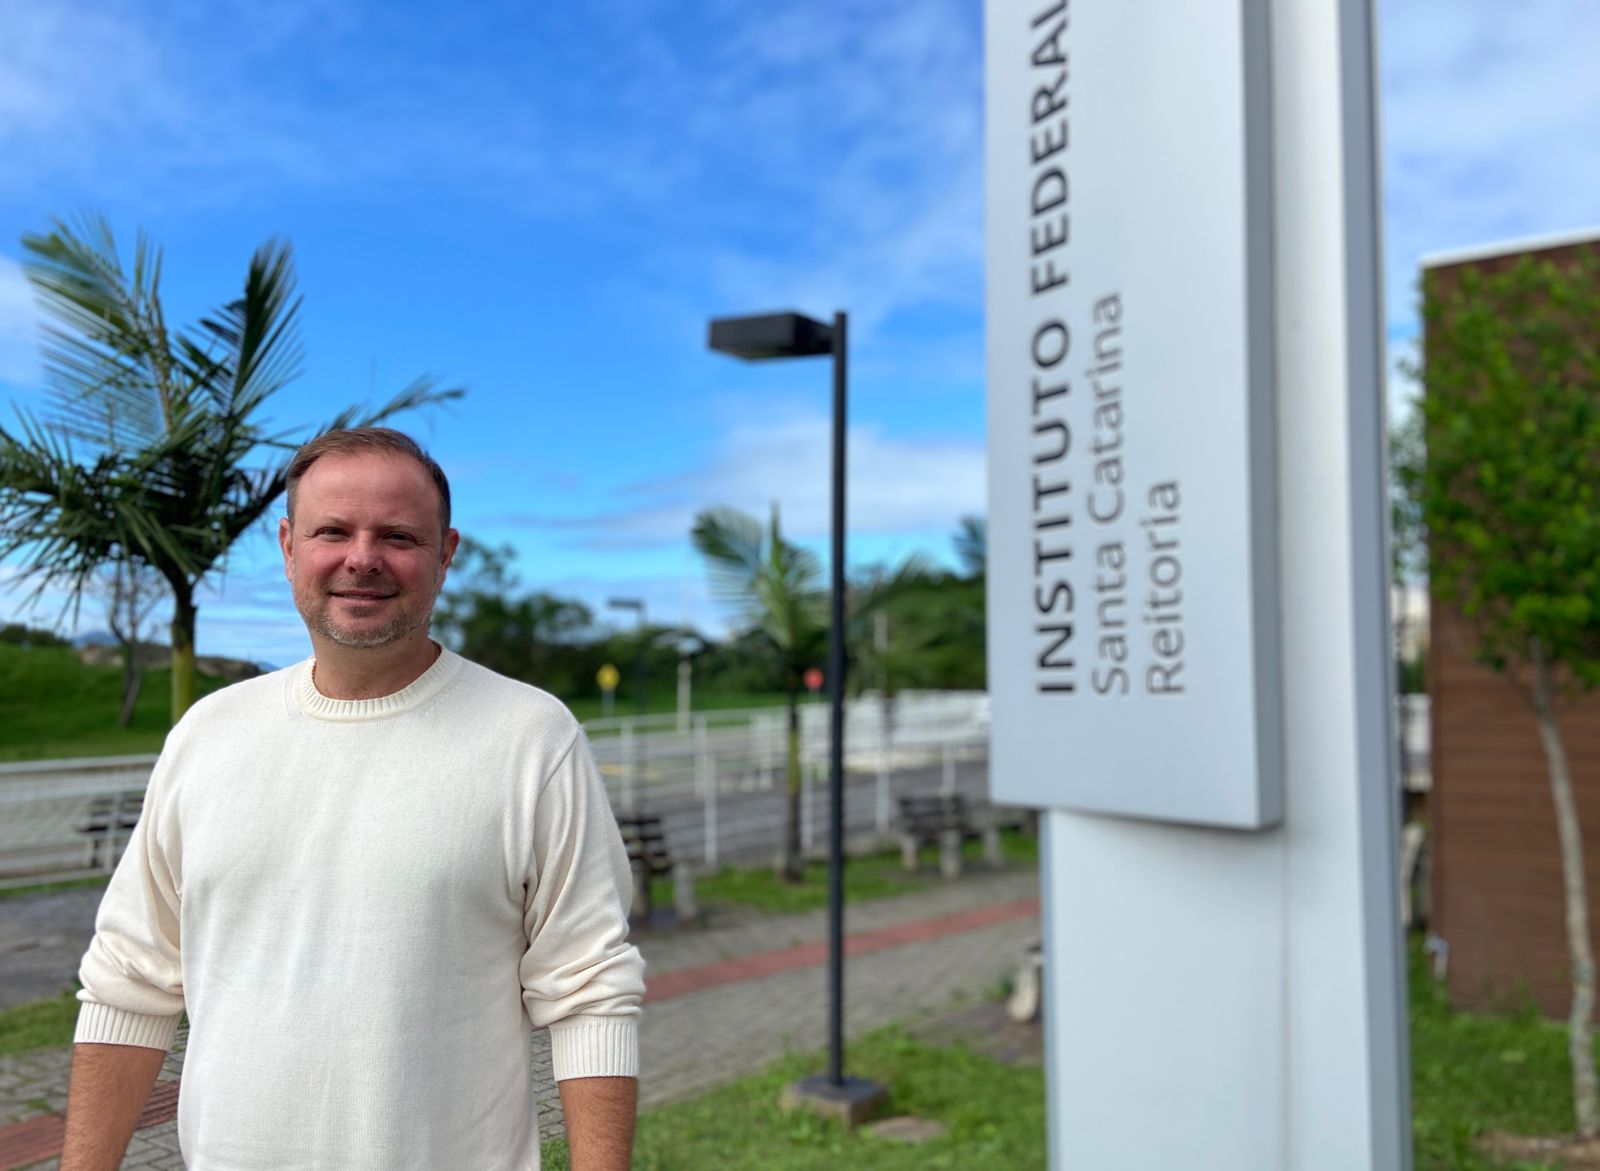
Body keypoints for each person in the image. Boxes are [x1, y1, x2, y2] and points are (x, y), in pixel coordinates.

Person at [61, 427, 644, 1171]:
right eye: (332, 530)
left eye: (397, 535)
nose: (361, 557)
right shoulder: (208, 735)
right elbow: (129, 979)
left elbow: (590, 990)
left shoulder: (531, 738)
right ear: (288, 545)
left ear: (446, 553)